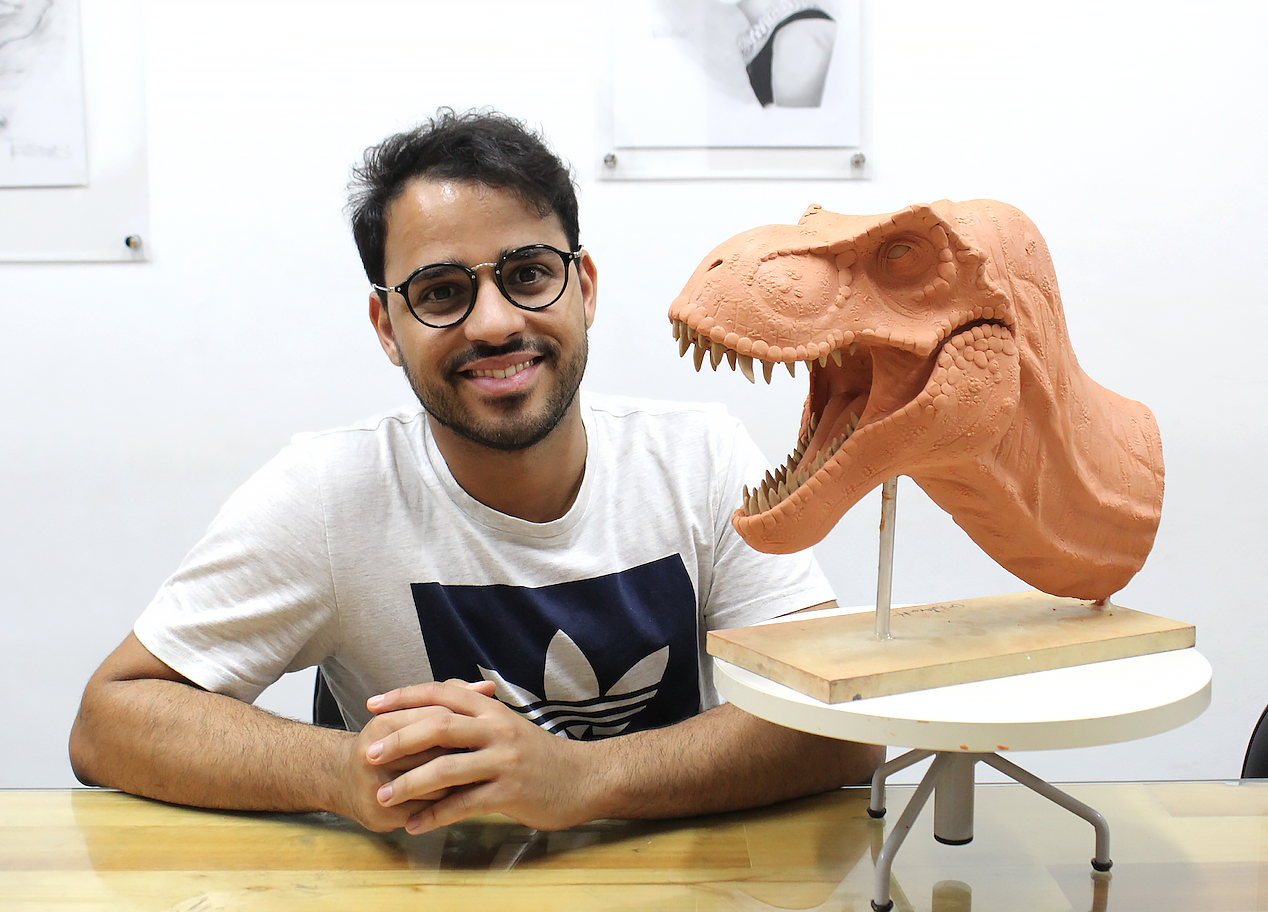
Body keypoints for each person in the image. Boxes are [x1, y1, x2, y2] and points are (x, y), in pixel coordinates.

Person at [69, 108, 882, 836]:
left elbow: (841, 725)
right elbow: (110, 721)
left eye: (529, 274)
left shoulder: (698, 458)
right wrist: (340, 771)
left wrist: (582, 780)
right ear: (386, 326)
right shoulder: (328, 495)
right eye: (441, 292)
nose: (493, 323)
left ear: (584, 287)